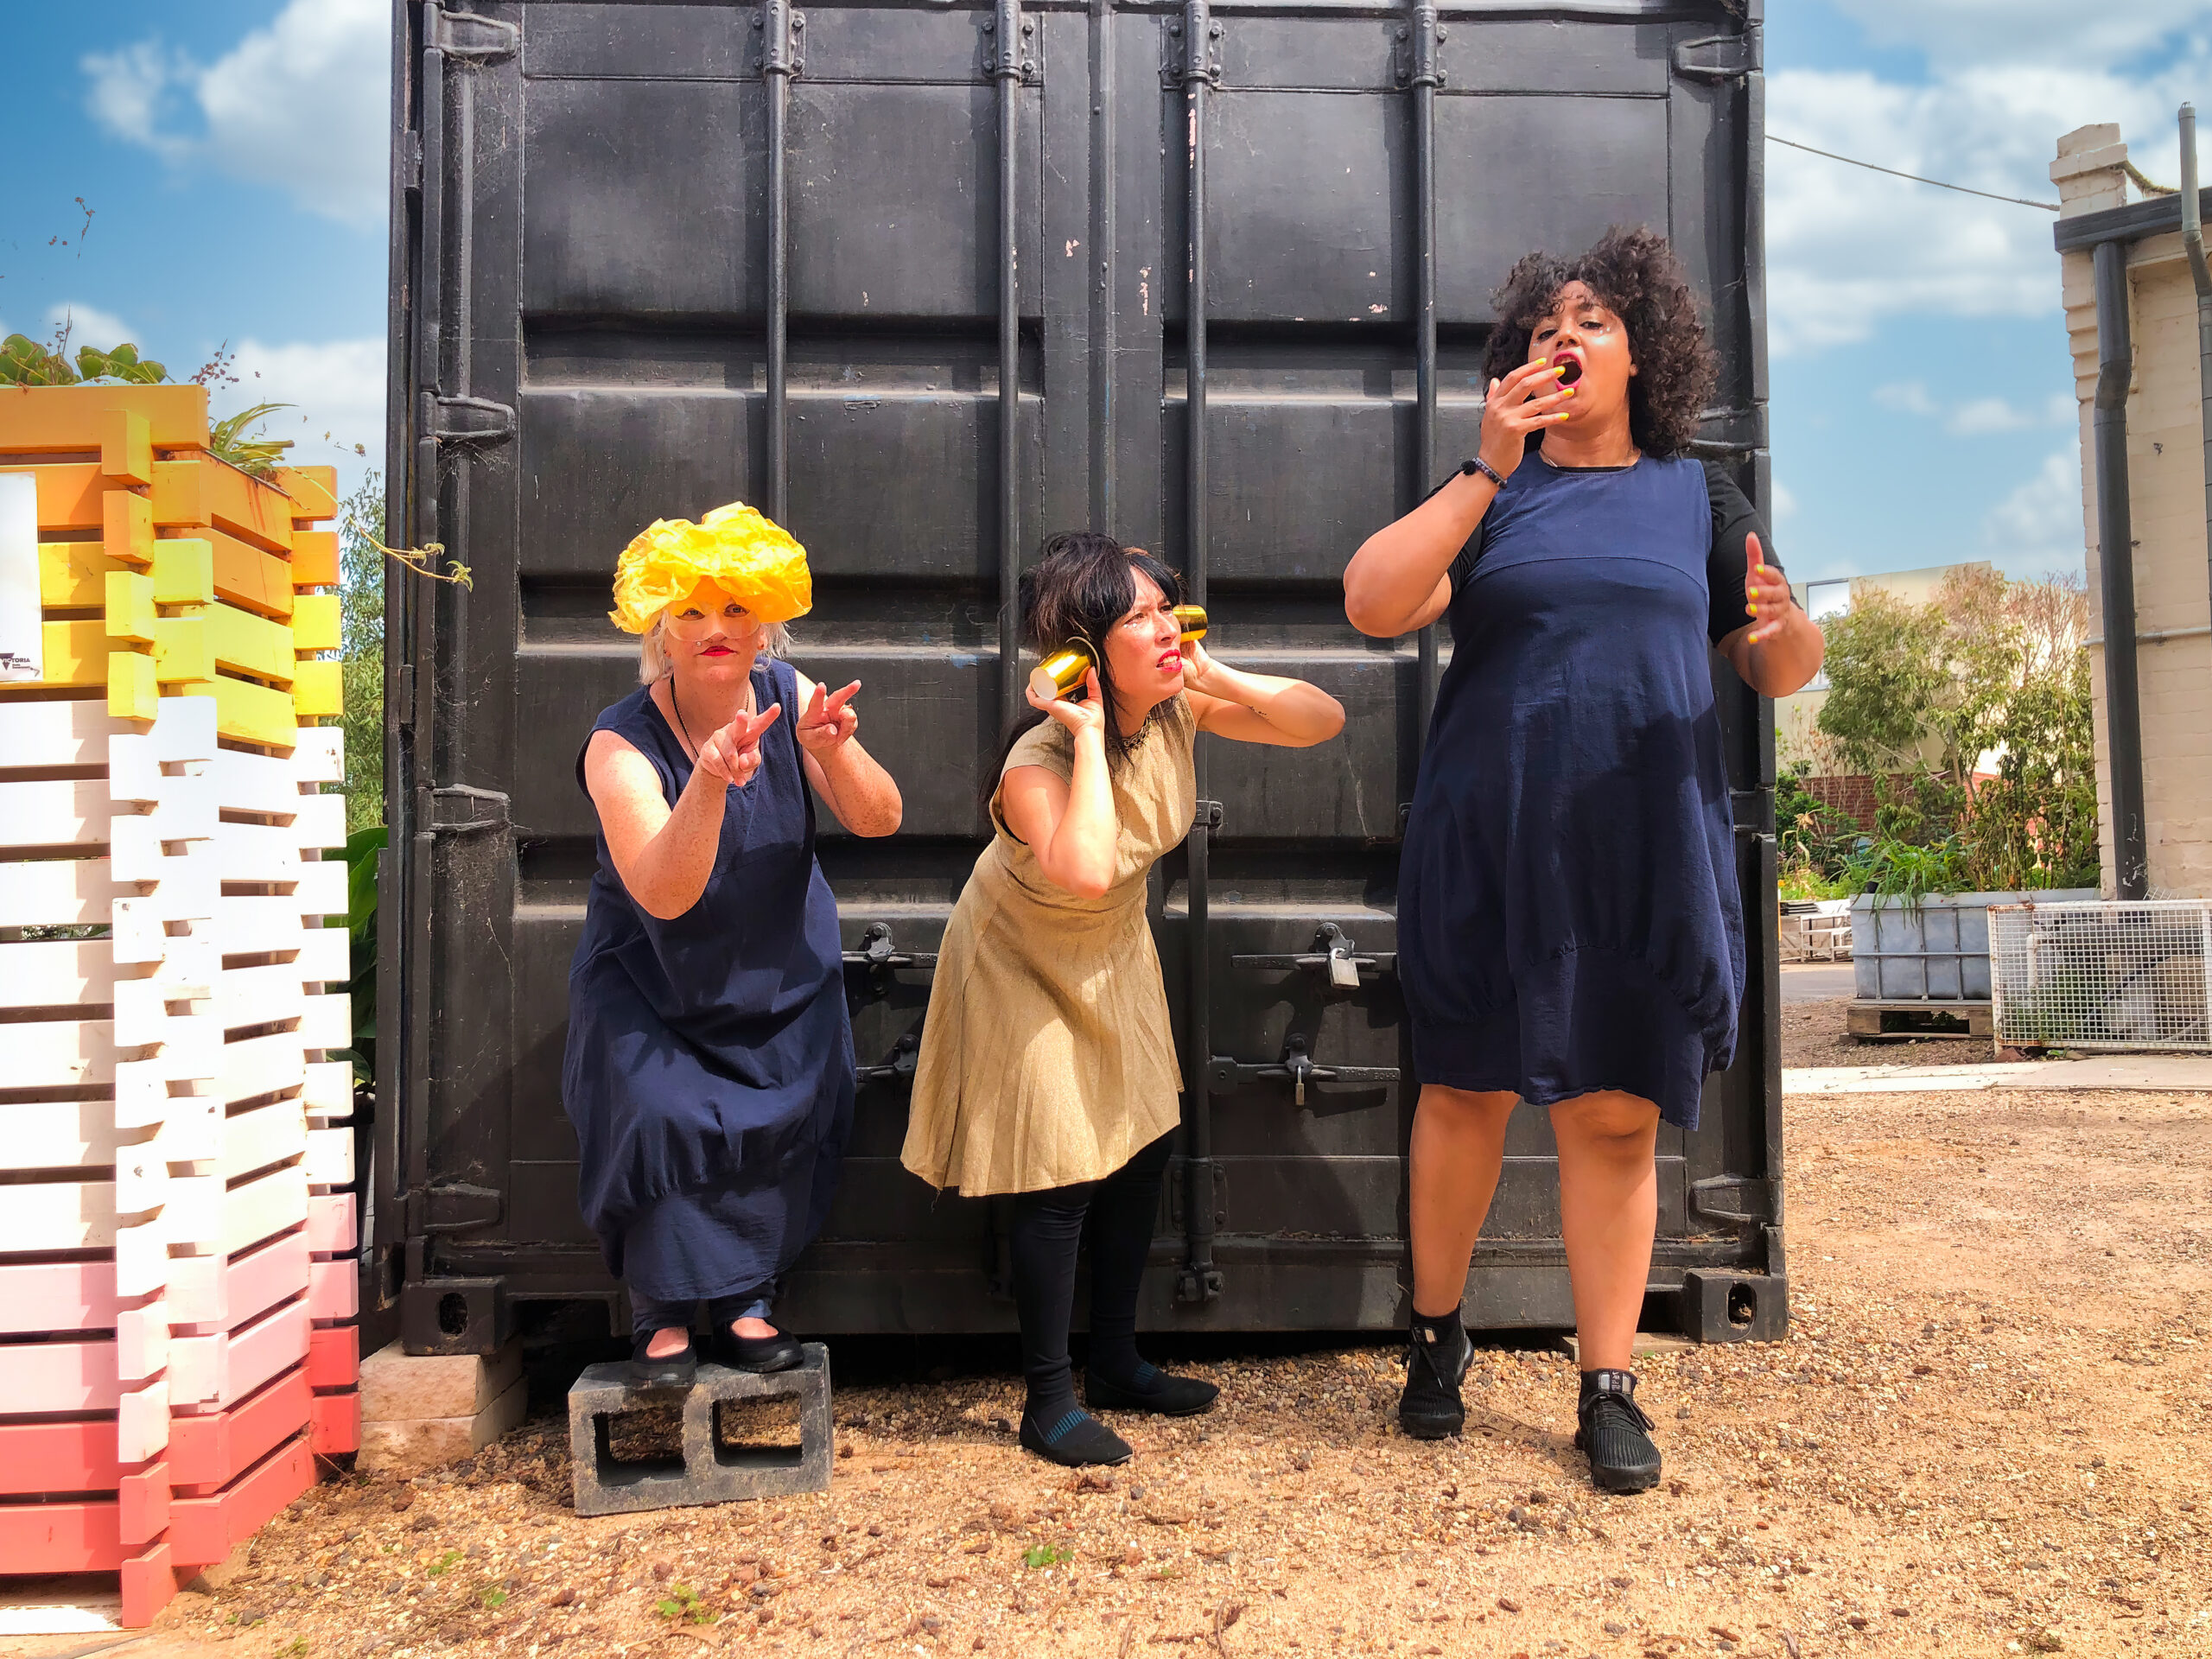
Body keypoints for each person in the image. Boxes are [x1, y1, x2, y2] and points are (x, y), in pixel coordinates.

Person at [1340, 227, 1825, 1493]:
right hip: (1490, 839)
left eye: (1598, 320)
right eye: (1551, 319)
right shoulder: (1493, 491)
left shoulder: (1699, 496)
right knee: (1466, 1097)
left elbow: (1774, 664)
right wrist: (1482, 470)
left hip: (1639, 850)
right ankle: (1436, 1339)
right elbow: (1373, 602)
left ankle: (1606, 1384)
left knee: (1613, 1121)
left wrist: (1788, 626)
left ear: (1645, 355)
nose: (1570, 333)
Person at [902, 532, 1346, 1466]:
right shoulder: (1039, 761)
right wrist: (1090, 733)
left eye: (1165, 608)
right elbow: (1089, 866)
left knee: (1143, 1146)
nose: (1164, 627)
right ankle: (1047, 1398)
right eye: (1138, 617)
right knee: (1058, 1175)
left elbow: (1320, 721)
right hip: (1020, 957)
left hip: (1110, 950)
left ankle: (1115, 1360)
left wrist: (1210, 666)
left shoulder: (1181, 706)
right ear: (1084, 652)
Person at [563, 502, 902, 1386]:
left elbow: (879, 820)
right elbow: (664, 893)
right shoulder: (617, 742)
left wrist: (840, 750)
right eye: (692, 612)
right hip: (655, 983)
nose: (716, 629)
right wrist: (709, 782)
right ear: (660, 632)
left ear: (766, 624)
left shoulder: (795, 699)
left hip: (777, 975)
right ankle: (661, 1314)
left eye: (736, 610)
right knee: (660, 1116)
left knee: (782, 1123)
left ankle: (749, 1301)